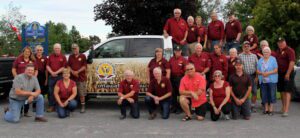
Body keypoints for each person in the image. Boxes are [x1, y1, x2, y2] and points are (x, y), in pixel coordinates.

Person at [12, 46, 37, 117]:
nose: (27, 53)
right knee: (20, 95)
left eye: (28, 52)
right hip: (20, 81)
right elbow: (13, 69)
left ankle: (26, 112)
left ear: (30, 53)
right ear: (23, 52)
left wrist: (34, 78)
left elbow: (36, 70)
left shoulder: (33, 60)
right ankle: (19, 111)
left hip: (29, 81)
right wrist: (17, 78)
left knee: (28, 95)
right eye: (25, 51)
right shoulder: (18, 59)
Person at [275, 37, 296, 117]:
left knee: (287, 91)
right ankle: (283, 108)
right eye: (279, 42)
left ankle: (286, 110)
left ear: (285, 42)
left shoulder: (290, 50)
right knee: (282, 91)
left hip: (288, 73)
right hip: (280, 73)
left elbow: (292, 62)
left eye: (282, 42)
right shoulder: (278, 51)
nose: (280, 44)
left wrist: (287, 73)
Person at [257, 47, 278, 115]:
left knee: (272, 94)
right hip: (263, 80)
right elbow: (257, 71)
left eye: (267, 52)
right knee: (264, 94)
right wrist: (262, 73)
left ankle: (271, 109)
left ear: (270, 53)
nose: (266, 53)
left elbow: (276, 70)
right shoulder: (260, 60)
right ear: (262, 53)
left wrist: (268, 73)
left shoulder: (273, 59)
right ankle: (266, 109)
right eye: (264, 52)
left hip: (272, 80)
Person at [46, 43, 67, 112]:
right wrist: (52, 72)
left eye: (58, 48)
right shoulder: (50, 56)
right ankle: (52, 106)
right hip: (51, 77)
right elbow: (47, 66)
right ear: (53, 49)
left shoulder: (63, 57)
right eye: (55, 48)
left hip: (59, 76)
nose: (57, 49)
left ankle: (59, 105)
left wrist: (56, 72)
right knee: (51, 92)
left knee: (60, 91)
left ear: (60, 49)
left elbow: (64, 67)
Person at [239, 41, 258, 112]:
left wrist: (257, 77)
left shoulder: (254, 56)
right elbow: (239, 66)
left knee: (254, 91)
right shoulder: (240, 56)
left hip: (253, 76)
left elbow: (257, 67)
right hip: (244, 76)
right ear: (243, 47)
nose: (246, 47)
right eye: (245, 46)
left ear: (250, 47)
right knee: (244, 91)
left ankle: (252, 106)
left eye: (248, 46)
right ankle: (244, 105)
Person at [68, 43, 87, 113]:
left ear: (78, 48)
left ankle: (83, 107)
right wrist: (72, 72)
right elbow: (68, 66)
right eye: (73, 48)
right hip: (72, 78)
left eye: (75, 48)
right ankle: (71, 106)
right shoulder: (70, 56)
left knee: (81, 94)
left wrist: (77, 72)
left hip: (80, 78)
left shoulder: (83, 56)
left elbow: (85, 66)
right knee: (71, 93)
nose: (74, 50)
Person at [169, 46, 188, 113]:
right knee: (173, 93)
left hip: (180, 78)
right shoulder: (171, 59)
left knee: (180, 94)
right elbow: (169, 69)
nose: (177, 52)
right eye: (176, 51)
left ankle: (180, 108)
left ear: (181, 52)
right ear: (174, 52)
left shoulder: (184, 60)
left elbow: (186, 71)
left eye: (179, 51)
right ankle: (174, 107)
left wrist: (184, 80)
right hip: (172, 78)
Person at [33, 45, 48, 112]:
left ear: (42, 51)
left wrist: (46, 79)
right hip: (34, 76)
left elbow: (46, 70)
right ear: (35, 51)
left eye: (40, 50)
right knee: (34, 91)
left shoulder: (45, 58)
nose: (39, 51)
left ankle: (40, 106)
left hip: (42, 77)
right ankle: (34, 106)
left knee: (41, 92)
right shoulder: (32, 58)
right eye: (38, 50)